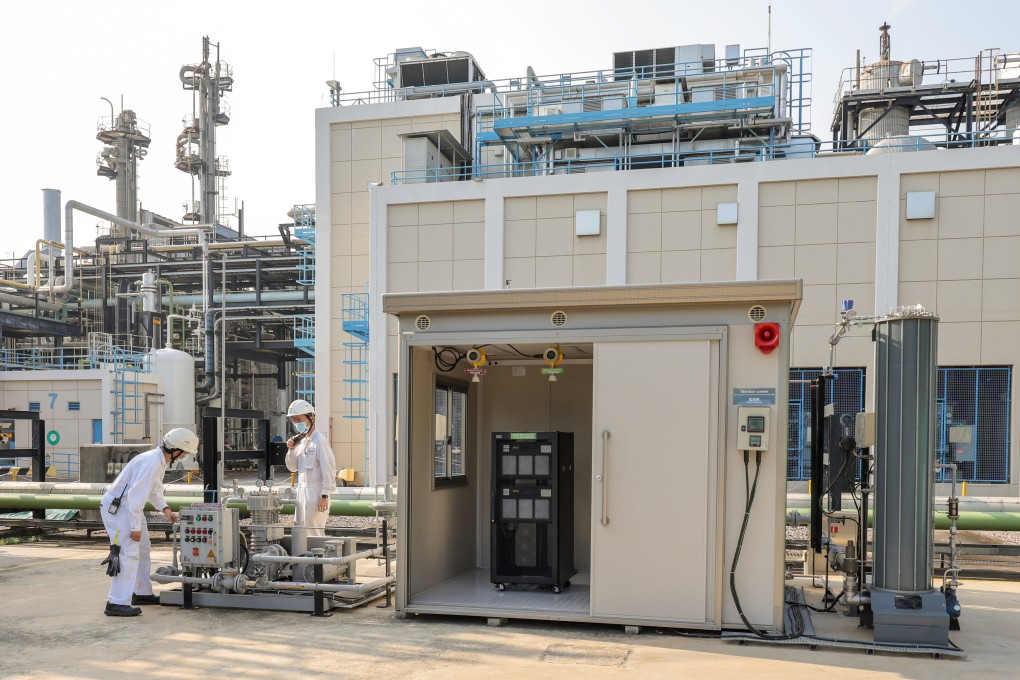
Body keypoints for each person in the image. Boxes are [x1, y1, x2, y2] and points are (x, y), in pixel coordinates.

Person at [99, 428, 199, 617]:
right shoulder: (150, 463)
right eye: (185, 452)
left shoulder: (159, 461)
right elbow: (135, 497)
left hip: (128, 508)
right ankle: (116, 602)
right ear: (175, 450)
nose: (185, 455)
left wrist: (165, 509)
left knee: (143, 548)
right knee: (127, 553)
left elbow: (154, 490)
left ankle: (141, 592)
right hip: (120, 510)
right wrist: (135, 528)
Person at [285, 400, 337, 537]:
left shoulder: (320, 441)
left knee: (314, 533)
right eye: (294, 420)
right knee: (300, 533)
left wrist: (325, 495)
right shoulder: (300, 442)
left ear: (311, 418)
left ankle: (318, 557)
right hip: (301, 494)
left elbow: (329, 470)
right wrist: (291, 450)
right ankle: (303, 558)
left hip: (316, 495)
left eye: (299, 419)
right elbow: (292, 468)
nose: (297, 423)